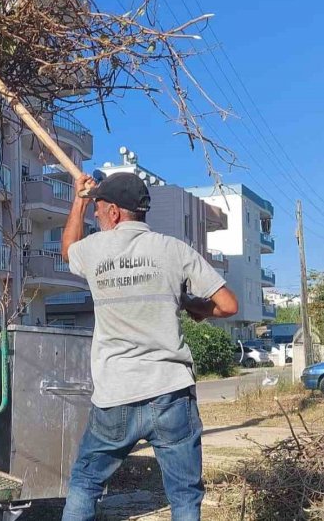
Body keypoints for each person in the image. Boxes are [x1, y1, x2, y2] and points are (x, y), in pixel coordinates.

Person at [60, 172, 238, 521]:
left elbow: (68, 249)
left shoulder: (95, 251)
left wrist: (79, 199)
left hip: (116, 394)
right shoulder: (173, 249)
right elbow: (229, 305)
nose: (96, 216)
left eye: (98, 210)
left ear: (114, 212)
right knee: (184, 496)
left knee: (85, 483)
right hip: (170, 391)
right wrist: (193, 305)